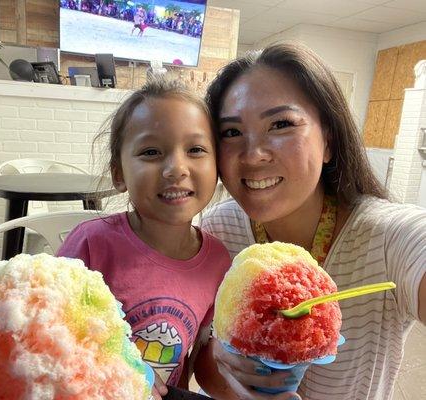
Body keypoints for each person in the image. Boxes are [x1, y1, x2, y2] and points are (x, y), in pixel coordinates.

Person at [194, 42, 426, 400]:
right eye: (231, 132)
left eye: (281, 124)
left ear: (329, 140)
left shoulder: (389, 240)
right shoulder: (215, 232)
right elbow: (202, 365)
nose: (253, 154)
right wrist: (222, 364)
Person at [57, 77, 231, 398]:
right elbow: (48, 337)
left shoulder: (219, 261)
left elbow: (196, 354)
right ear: (119, 173)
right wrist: (117, 372)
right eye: (151, 152)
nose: (176, 168)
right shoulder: (90, 245)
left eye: (195, 149)